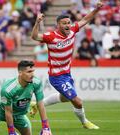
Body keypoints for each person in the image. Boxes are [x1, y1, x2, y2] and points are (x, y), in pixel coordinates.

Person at [30, 0, 103, 130]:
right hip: (56, 76)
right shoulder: (51, 36)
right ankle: (85, 122)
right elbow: (34, 37)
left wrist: (96, 9)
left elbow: (86, 19)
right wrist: (37, 22)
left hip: (67, 74)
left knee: (64, 98)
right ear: (58, 25)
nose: (68, 25)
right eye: (64, 23)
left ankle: (37, 105)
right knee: (77, 101)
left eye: (68, 22)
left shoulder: (73, 30)